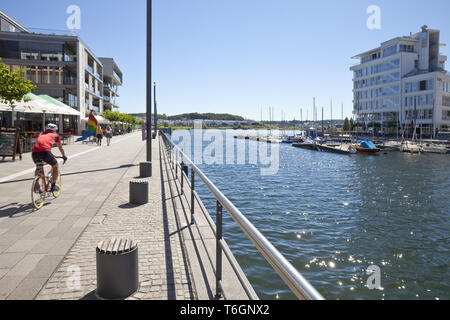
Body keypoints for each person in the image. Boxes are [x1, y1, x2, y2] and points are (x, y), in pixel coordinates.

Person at [32, 123, 67, 193]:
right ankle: (53, 186)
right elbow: (60, 147)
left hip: (34, 153)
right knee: (55, 166)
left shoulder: (41, 134)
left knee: (39, 167)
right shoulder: (55, 135)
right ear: (55, 130)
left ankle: (36, 184)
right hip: (45, 152)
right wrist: (63, 156)